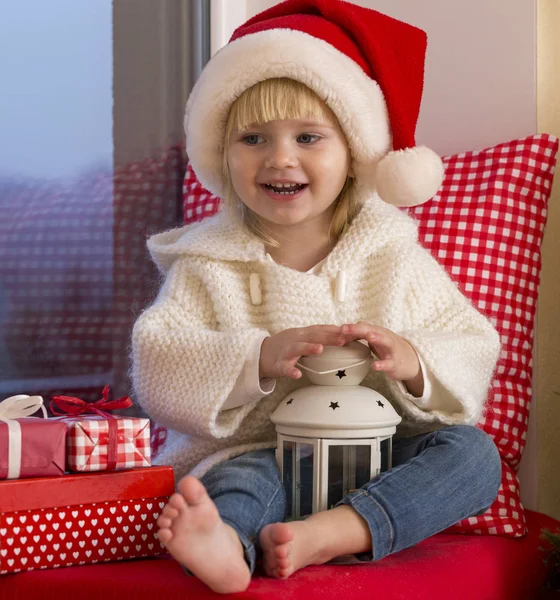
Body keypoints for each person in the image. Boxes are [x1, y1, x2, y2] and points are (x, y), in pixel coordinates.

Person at [131, 0, 502, 594]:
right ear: (223, 158)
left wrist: (414, 361)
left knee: (474, 457)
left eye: (308, 137)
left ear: (353, 152)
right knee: (235, 486)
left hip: (382, 457)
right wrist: (256, 357)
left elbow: (469, 339)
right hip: (269, 459)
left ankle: (336, 531)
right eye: (253, 138)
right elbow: (160, 357)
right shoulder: (206, 262)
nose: (281, 158)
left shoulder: (392, 254)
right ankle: (225, 544)